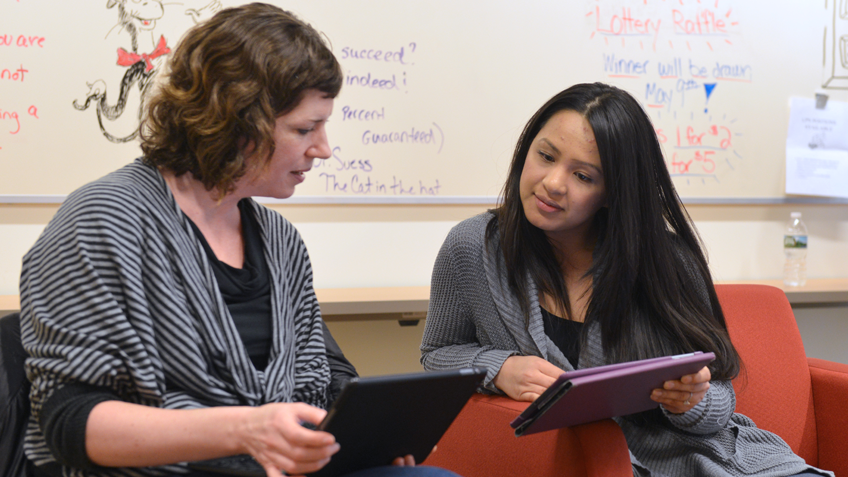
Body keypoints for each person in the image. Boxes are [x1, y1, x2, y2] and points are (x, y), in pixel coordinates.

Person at [19, 4, 458, 477]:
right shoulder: (102, 221)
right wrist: (245, 430)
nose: (324, 149)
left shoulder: (279, 240)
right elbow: (67, 422)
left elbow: (329, 379)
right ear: (236, 121)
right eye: (304, 129)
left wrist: (369, 435)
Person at [420, 83, 831, 477]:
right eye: (545, 156)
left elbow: (721, 395)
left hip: (713, 461)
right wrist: (501, 367)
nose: (553, 183)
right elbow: (438, 352)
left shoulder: (665, 260)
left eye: (583, 176)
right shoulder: (473, 246)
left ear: (613, 192)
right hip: (591, 463)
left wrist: (691, 401)